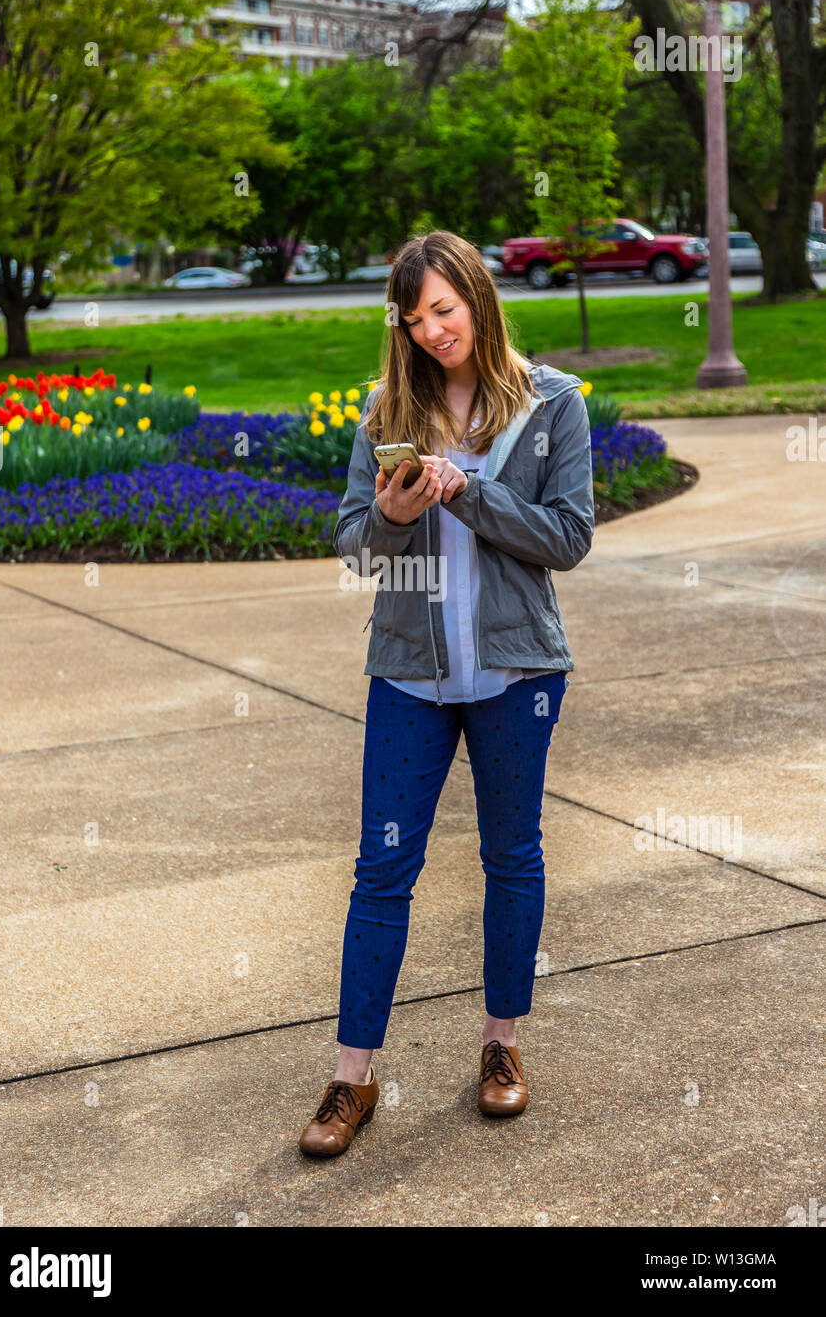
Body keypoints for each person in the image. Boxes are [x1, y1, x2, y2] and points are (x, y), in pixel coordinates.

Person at [299, 230, 594, 1157]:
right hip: (410, 678)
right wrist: (391, 512)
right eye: (415, 316)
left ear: (476, 296)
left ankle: (501, 1049)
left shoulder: (552, 404)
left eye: (445, 309)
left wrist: (469, 494)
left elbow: (569, 537)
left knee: (513, 858)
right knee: (381, 872)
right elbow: (352, 542)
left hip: (518, 675)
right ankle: (353, 1079)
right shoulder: (391, 407)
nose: (432, 331)